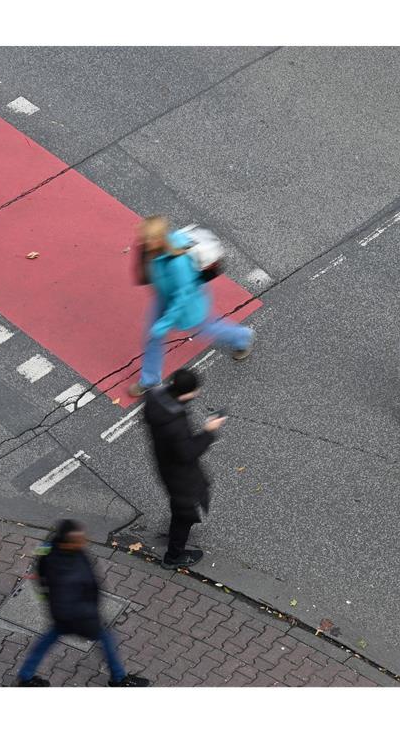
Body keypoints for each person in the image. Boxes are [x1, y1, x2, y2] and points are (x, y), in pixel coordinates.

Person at [128, 216, 253, 397]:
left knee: (208, 329)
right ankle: (150, 380)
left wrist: (164, 324)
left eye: (147, 239)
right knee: (153, 336)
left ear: (158, 239)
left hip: (188, 307)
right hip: (164, 298)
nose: (142, 242)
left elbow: (183, 297)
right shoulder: (154, 251)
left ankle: (242, 337)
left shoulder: (178, 263)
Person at [15, 520, 150, 687]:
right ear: (68, 542)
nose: (85, 540)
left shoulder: (60, 551)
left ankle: (26, 676)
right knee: (107, 639)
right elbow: (67, 600)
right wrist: (90, 618)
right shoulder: (64, 570)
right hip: (80, 618)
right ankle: (119, 679)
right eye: (79, 539)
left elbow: (43, 579)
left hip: (67, 615)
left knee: (48, 639)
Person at [143, 368, 222, 569]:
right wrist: (208, 432)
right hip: (179, 475)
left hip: (165, 464)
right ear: (186, 393)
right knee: (184, 513)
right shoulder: (175, 424)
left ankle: (176, 535)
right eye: (195, 391)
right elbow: (187, 453)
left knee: (181, 507)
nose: (197, 394)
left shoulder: (154, 398)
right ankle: (173, 557)